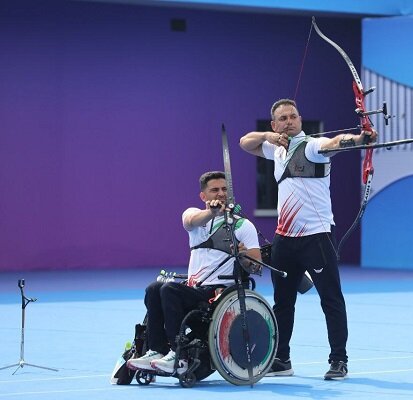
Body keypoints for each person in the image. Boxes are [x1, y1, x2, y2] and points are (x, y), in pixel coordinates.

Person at [239, 99, 377, 380]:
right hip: (284, 239)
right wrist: (268, 137)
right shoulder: (275, 149)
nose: (289, 121)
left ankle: (339, 359)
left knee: (331, 299)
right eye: (283, 118)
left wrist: (361, 138)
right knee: (282, 302)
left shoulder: (311, 147)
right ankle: (282, 359)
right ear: (274, 124)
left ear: (300, 120)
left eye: (293, 116)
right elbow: (244, 142)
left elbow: (335, 142)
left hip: (316, 237)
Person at [126, 171, 261, 375]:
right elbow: (190, 221)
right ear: (203, 196)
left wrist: (243, 256)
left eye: (224, 189)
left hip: (218, 293)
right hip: (194, 288)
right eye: (214, 190)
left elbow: (256, 266)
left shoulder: (243, 225)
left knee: (170, 289)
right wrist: (211, 213)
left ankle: (177, 354)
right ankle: (156, 349)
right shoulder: (194, 215)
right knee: (154, 288)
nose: (221, 194)